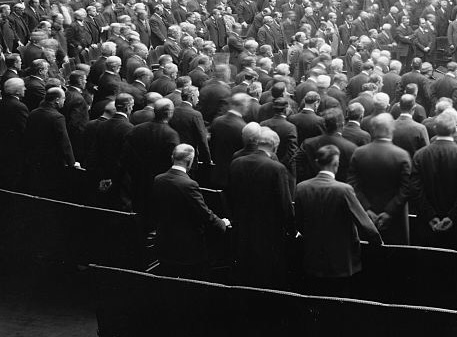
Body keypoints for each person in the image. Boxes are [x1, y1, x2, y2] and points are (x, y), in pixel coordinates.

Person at [294, 144, 382, 296]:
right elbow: (365, 224)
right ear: (336, 164)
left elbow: (299, 223)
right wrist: (377, 242)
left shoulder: (301, 187)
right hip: (341, 261)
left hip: (312, 258)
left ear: (317, 162)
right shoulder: (344, 190)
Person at [226, 126, 295, 288]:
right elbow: (285, 205)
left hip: (241, 229)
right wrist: (292, 230)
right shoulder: (277, 168)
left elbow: (228, 195)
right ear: (275, 147)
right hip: (268, 232)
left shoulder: (236, 162)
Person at [152, 144, 230, 280]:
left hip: (164, 242)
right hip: (187, 249)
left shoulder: (158, 179)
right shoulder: (189, 184)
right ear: (190, 161)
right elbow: (204, 214)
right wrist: (221, 223)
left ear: (172, 158)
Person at [410, 108, 457, 249]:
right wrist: (452, 218)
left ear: (435, 128)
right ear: (455, 129)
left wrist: (430, 216)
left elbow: (416, 189)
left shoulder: (420, 155)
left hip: (427, 226)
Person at [347, 113, 412, 245]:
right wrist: (389, 212)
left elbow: (352, 185)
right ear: (391, 130)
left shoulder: (359, 153)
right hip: (395, 220)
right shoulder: (402, 155)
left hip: (365, 219)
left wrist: (367, 209)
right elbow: (406, 188)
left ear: (373, 130)